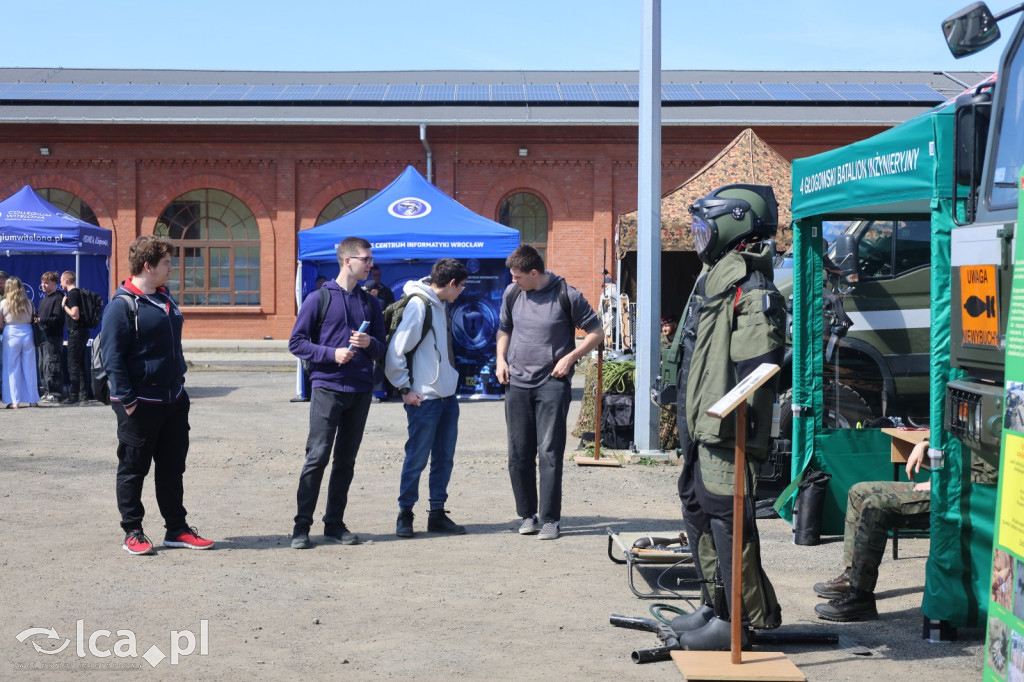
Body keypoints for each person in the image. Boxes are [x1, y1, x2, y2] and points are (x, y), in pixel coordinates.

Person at [671, 185, 786, 650]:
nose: (699, 235)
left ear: (735, 222)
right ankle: (713, 604)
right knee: (697, 506)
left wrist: (730, 411)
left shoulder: (751, 285)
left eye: (705, 225)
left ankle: (736, 620)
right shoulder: (716, 277)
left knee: (727, 516)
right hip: (702, 424)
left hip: (727, 428)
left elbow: (761, 364)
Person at [100, 235, 213, 555]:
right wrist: (128, 401)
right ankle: (133, 531)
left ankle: (176, 528)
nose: (171, 268)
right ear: (147, 266)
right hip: (140, 404)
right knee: (133, 469)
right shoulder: (121, 306)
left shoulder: (165, 298)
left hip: (173, 400)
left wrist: (179, 383)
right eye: (166, 263)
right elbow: (112, 358)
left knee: (172, 468)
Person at [496, 245, 603, 541]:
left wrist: (570, 358)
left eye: (518, 276)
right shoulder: (513, 293)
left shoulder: (567, 295)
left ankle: (550, 520)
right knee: (518, 453)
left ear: (534, 273)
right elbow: (504, 330)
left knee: (549, 453)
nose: (513, 280)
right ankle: (527, 515)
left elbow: (597, 333)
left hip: (552, 384)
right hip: (517, 383)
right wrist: (500, 360)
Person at [288, 236, 386, 550]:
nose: (371, 265)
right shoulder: (318, 299)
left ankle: (334, 523)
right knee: (317, 457)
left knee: (345, 461)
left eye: (371, 259)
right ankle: (302, 526)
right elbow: (296, 343)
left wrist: (370, 344)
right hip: (327, 387)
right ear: (347, 261)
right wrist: (331, 354)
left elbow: (382, 348)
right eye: (366, 259)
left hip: (360, 390)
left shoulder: (371, 303)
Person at [385, 258, 469, 538]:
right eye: (461, 286)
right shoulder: (419, 304)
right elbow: (396, 350)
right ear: (452, 283)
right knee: (417, 458)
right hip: (424, 399)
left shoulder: (440, 303)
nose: (462, 292)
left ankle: (437, 514)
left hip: (447, 397)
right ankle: (405, 514)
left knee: (444, 459)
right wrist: (404, 389)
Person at [812, 439, 931, 622]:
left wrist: (940, 484)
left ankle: (861, 598)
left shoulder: (982, 426)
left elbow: (977, 468)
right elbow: (951, 439)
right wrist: (925, 443)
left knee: (875, 505)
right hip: (941, 483)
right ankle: (852, 577)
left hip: (957, 494)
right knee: (859, 492)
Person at [1, 277, 41, 408]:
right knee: (30, 368)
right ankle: (32, 400)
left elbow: (0, 324)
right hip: (27, 333)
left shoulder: (3, 303)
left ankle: (14, 401)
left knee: (11, 368)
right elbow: (32, 318)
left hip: (11, 333)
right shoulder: (29, 303)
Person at [35, 271, 65, 403]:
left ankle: (55, 393)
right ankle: (47, 391)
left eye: (46, 283)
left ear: (54, 283)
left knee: (52, 365)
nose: (43, 285)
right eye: (42, 283)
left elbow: (58, 319)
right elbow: (38, 316)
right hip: (42, 338)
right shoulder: (43, 301)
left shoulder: (58, 298)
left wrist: (41, 320)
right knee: (43, 366)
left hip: (53, 338)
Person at [60, 270, 88, 404]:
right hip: (82, 332)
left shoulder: (72, 294)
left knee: (73, 365)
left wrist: (64, 305)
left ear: (66, 280)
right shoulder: (79, 293)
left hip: (76, 332)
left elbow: (75, 315)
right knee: (80, 364)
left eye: (61, 281)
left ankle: (74, 396)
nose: (60, 284)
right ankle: (83, 395)